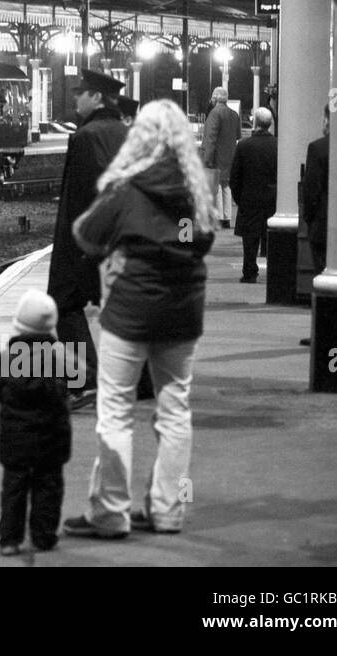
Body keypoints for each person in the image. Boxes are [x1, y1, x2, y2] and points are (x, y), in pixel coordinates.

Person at [62, 99, 215, 539]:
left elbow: (85, 236)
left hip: (129, 312)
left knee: (115, 410)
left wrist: (120, 247)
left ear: (140, 138)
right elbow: (200, 242)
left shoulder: (127, 190)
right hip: (183, 314)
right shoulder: (193, 194)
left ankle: (110, 511)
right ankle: (168, 510)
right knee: (174, 409)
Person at [46, 69, 128, 408]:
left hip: (84, 241)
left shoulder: (86, 136)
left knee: (64, 303)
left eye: (81, 93)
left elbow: (83, 195)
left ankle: (85, 379)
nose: (76, 97)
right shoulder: (125, 132)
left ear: (96, 98)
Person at [0, 290, 71, 556]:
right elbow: (83, 377)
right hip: (52, 438)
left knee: (14, 487)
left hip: (15, 439)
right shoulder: (60, 356)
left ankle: (10, 539)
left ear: (18, 324)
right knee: (49, 485)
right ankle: (44, 536)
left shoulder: (8, 358)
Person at [230, 107, 278, 283]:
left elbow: (235, 177)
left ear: (255, 123)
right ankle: (274, 272)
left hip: (249, 199)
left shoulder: (244, 146)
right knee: (271, 238)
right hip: (272, 199)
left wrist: (239, 198)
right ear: (270, 124)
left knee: (250, 240)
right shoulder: (277, 145)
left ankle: (250, 272)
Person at [200, 87, 241, 229]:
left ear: (215, 98)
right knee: (226, 187)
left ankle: (217, 217)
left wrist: (206, 158)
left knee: (216, 187)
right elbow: (238, 136)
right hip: (230, 155)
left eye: (212, 97)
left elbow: (210, 138)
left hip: (216, 156)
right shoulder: (234, 115)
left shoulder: (214, 113)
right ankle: (227, 217)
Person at [303, 105, 330, 276]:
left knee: (321, 272)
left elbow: (311, 188)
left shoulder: (318, 148)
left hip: (322, 223)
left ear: (327, 120)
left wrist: (309, 218)